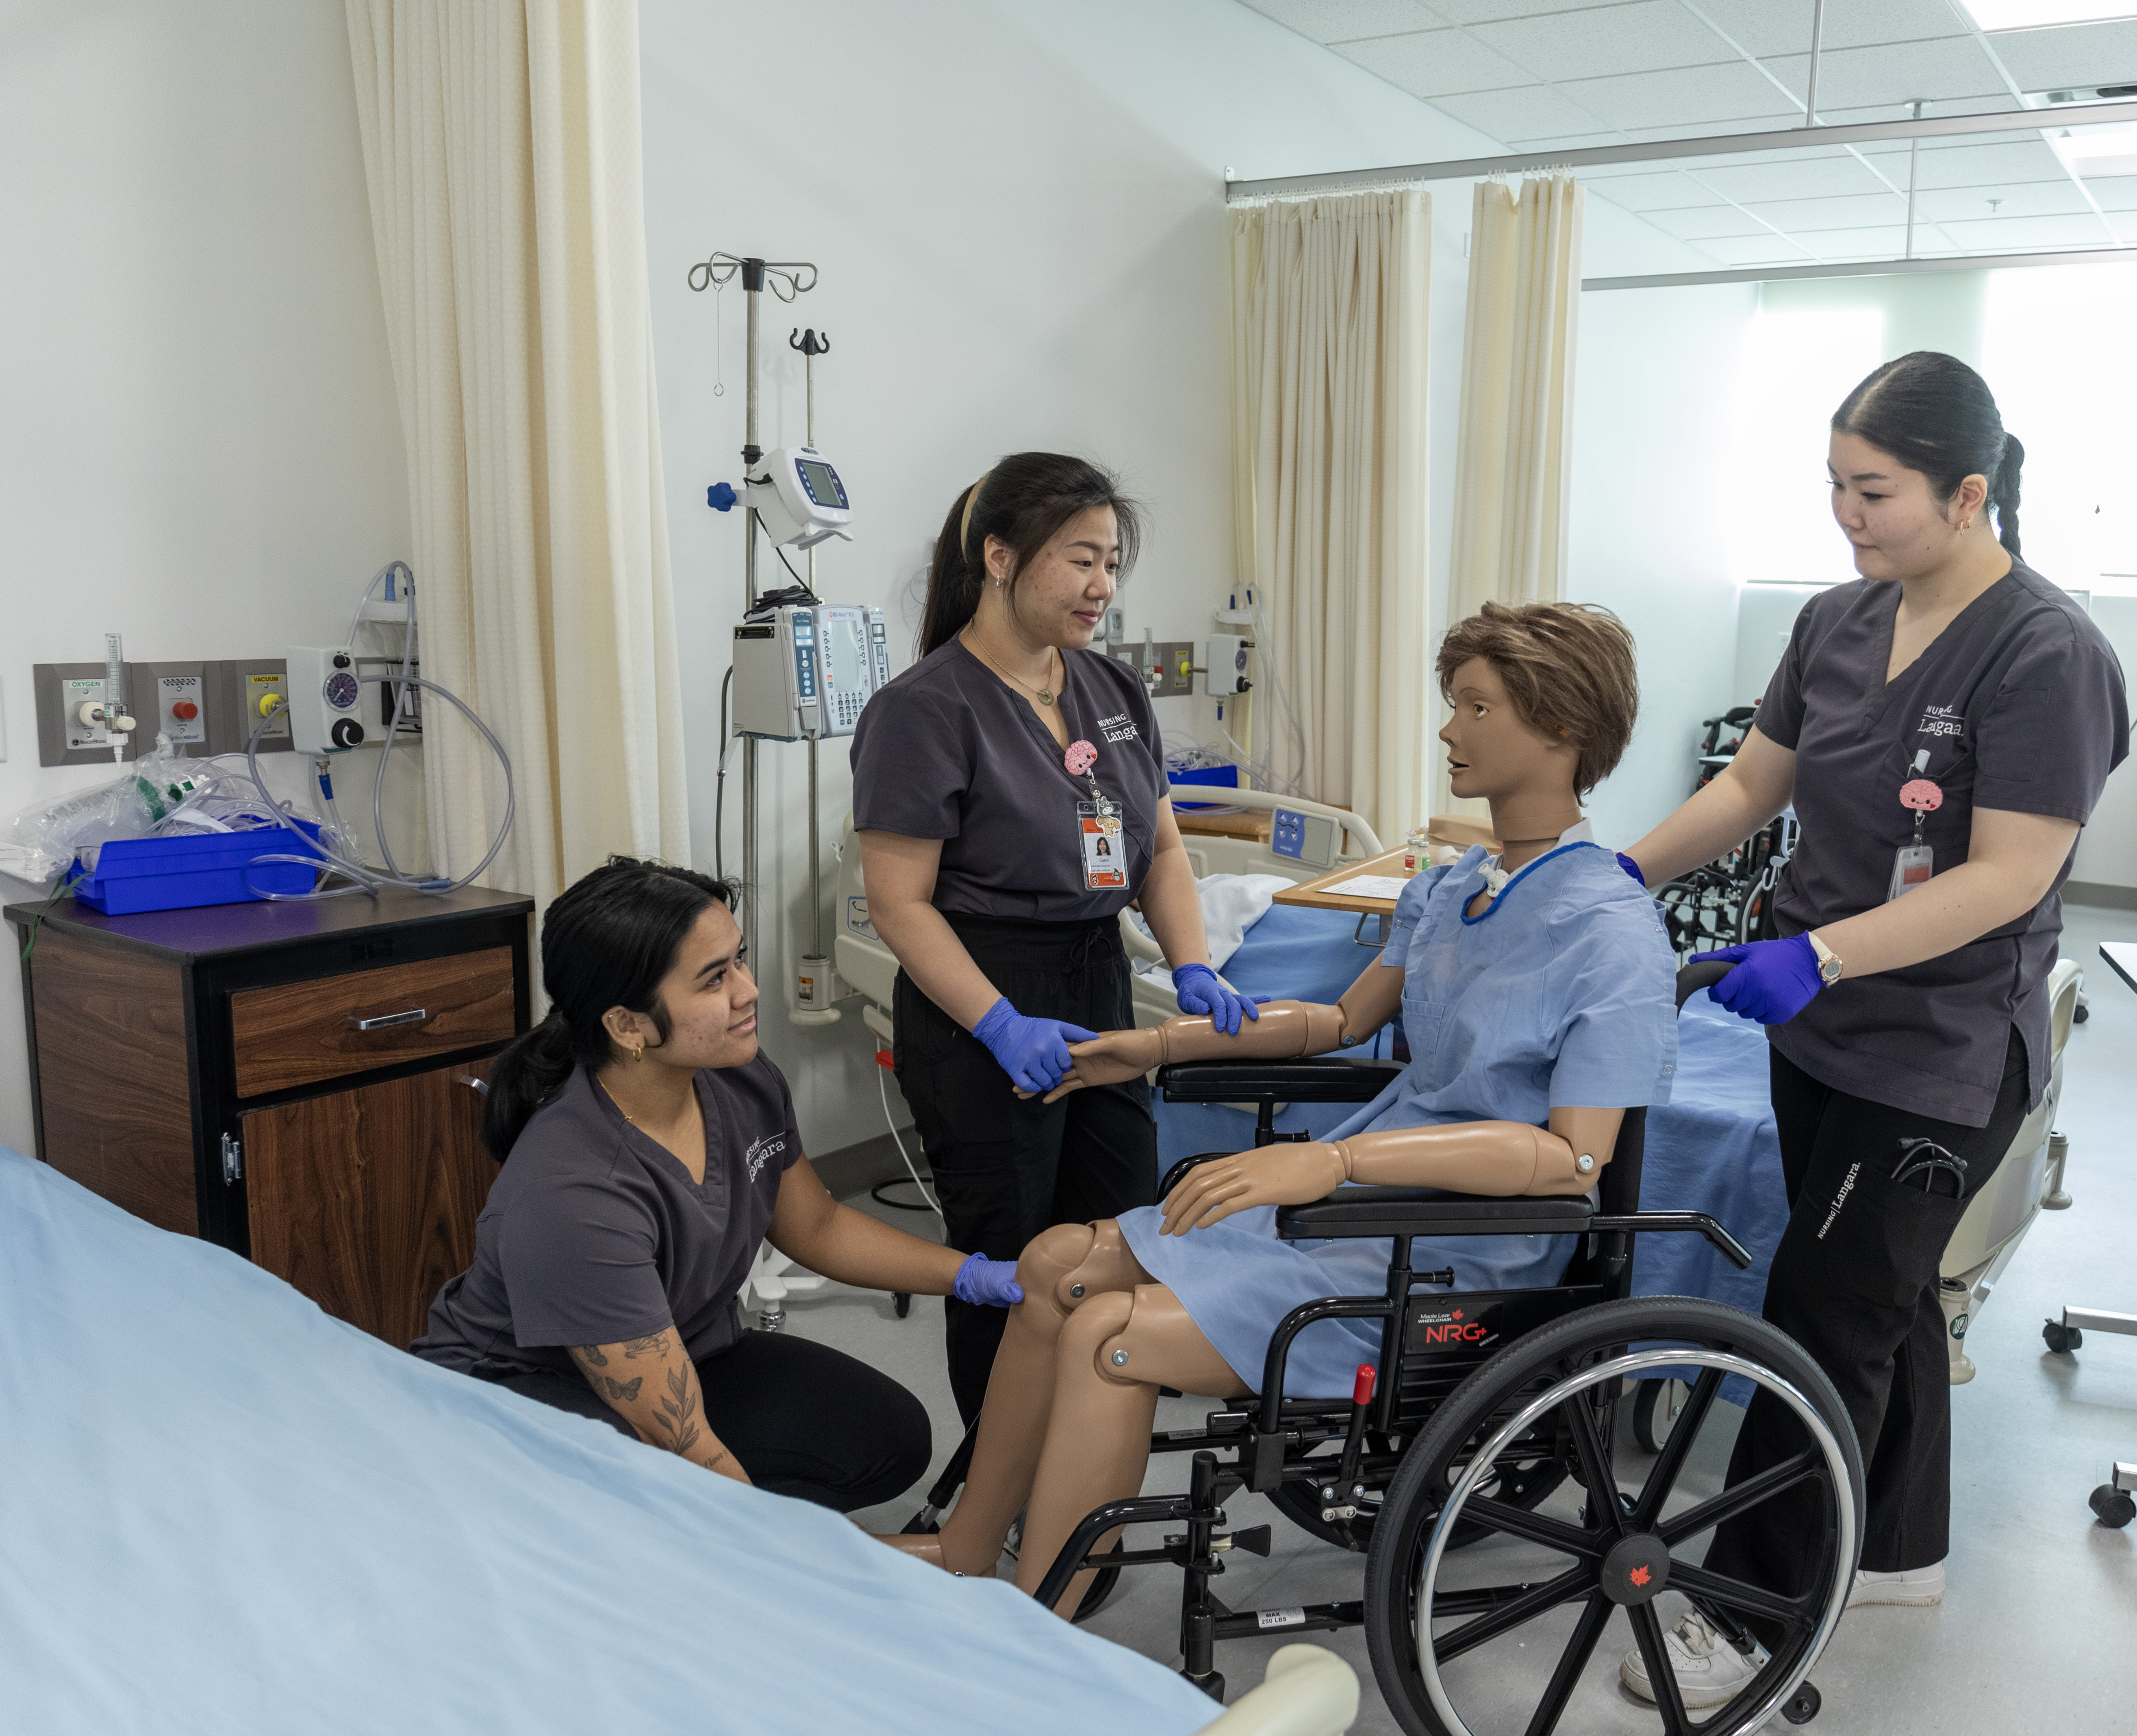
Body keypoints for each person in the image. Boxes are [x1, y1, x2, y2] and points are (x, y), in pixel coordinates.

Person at [877, 602, 1675, 1612]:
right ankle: (965, 1548)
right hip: (1347, 1203)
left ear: (1561, 730)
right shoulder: (1455, 889)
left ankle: (1045, 1635)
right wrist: (1155, 1043)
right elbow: (1342, 1020)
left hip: (1453, 1241)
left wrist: (1333, 1164)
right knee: (1050, 1265)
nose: (1447, 730)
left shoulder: (1610, 930)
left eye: (1477, 707)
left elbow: (1571, 1164)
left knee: (1107, 1332)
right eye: (1453, 703)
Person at [1611, 352, 2127, 1712]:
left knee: (1819, 1318)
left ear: (1967, 494)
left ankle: (1744, 1616)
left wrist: (1820, 950)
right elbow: (1745, 786)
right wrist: (1620, 876)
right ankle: (1892, 1549)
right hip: (1819, 1030)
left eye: (1874, 491)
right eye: (1833, 486)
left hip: (1939, 1048)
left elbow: (2006, 874)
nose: (1847, 515)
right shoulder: (1836, 621)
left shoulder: (2044, 651)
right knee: (1880, 1305)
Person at [415, 857, 1021, 1512]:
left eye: (739, 960)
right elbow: (683, 1438)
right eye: (713, 979)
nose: (748, 990)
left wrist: (976, 1277)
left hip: (687, 1348)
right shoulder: (575, 1192)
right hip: (520, 1395)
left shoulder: (738, 1077)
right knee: (663, 1506)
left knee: (885, 1440)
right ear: (627, 1025)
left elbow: (817, 1225)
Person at [852, 453, 1259, 1424]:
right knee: (1013, 1254)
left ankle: (1089, 1459)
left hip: (1096, 983)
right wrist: (999, 1025)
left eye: (1112, 563)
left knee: (1116, 1237)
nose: (1102, 587)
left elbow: (1158, 847)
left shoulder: (1110, 689)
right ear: (999, 557)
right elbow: (900, 902)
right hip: (983, 998)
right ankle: (1002, 1484)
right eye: (1081, 560)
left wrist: (1192, 960)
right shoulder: (923, 710)